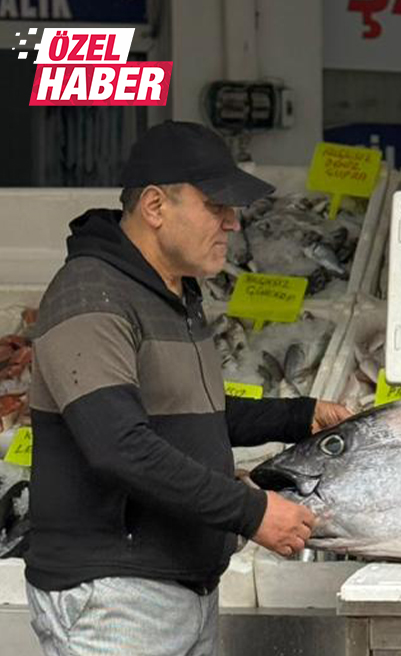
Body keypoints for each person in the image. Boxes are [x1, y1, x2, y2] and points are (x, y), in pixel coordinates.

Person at [24, 121, 353, 656]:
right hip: (115, 598)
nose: (232, 221)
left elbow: (195, 414)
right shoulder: (91, 293)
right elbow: (119, 446)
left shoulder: (173, 293)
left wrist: (299, 415)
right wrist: (253, 513)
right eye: (216, 205)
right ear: (155, 207)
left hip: (181, 590)